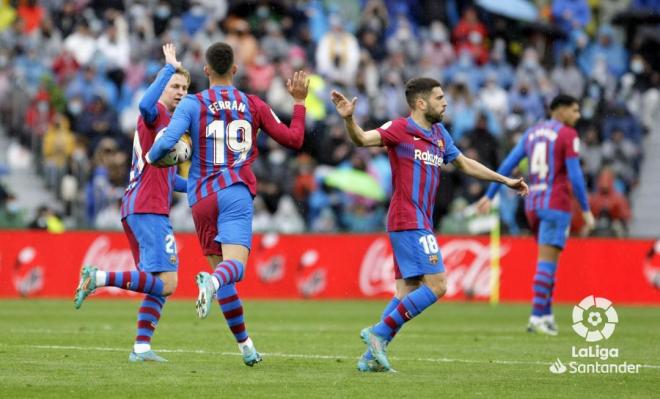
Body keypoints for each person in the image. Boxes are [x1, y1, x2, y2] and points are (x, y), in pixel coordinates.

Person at [331, 77, 528, 372]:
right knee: (437, 286)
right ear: (421, 103)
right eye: (439, 98)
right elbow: (361, 138)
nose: (445, 102)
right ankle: (378, 334)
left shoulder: (439, 134)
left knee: (406, 293)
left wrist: (504, 180)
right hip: (407, 218)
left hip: (421, 220)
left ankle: (370, 359)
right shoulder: (399, 128)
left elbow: (464, 163)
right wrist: (349, 120)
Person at [146, 42, 309, 367]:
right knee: (233, 269)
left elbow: (166, 141)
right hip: (234, 191)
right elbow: (294, 139)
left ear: (205, 71)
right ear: (235, 70)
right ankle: (213, 283)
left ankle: (246, 346)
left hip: (201, 198)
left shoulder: (192, 103)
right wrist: (299, 102)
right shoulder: (253, 104)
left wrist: (151, 157)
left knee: (223, 271)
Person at [73, 44, 190, 362]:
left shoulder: (170, 126)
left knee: (159, 284)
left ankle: (141, 348)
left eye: (184, 87)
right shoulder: (157, 117)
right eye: (175, 86)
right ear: (163, 85)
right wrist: (168, 68)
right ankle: (98, 278)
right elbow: (143, 104)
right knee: (169, 281)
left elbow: (170, 179)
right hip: (147, 207)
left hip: (140, 204)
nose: (180, 92)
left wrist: (201, 186)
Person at [476, 94, 595, 336]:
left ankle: (547, 315)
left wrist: (490, 193)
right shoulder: (567, 134)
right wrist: (585, 209)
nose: (578, 116)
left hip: (532, 204)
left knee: (548, 260)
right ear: (559, 110)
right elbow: (575, 176)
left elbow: (508, 164)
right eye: (574, 110)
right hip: (556, 204)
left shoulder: (532, 133)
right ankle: (536, 316)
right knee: (547, 262)